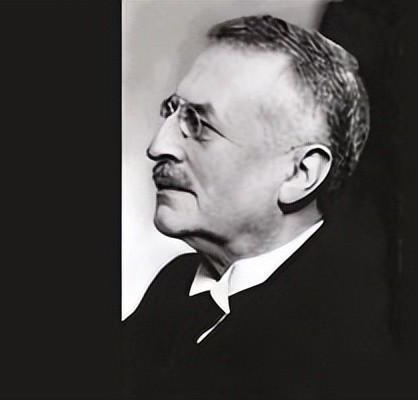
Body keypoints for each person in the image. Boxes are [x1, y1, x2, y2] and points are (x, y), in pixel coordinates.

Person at [123, 14, 395, 399]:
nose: (158, 146)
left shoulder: (354, 339)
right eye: (171, 111)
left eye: (199, 124)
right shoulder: (177, 287)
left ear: (300, 174)